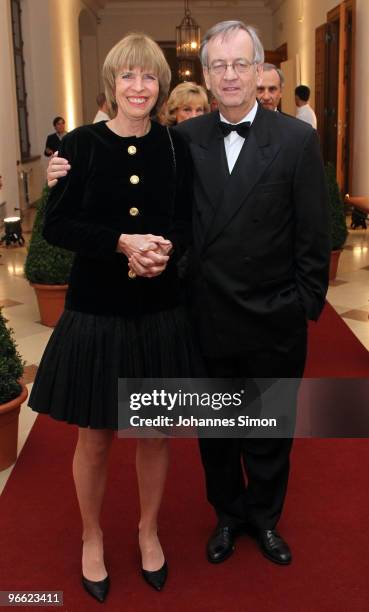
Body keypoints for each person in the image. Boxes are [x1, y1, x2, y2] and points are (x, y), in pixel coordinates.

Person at [47, 20, 330, 569]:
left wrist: (303, 303)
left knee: (269, 429)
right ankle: (226, 516)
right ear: (204, 74)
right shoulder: (185, 139)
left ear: (258, 69)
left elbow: (312, 233)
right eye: (217, 65)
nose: (228, 74)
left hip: (273, 315)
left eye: (239, 64)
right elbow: (151, 195)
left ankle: (264, 520)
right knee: (217, 433)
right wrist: (64, 167)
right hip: (204, 313)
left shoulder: (295, 139)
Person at [30, 32, 201, 603]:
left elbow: (186, 220)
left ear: (161, 85)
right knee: (96, 436)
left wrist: (165, 250)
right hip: (96, 310)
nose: (138, 86)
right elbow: (55, 226)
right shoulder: (79, 145)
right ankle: (92, 535)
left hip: (158, 310)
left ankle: (148, 529)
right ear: (111, 84)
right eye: (127, 75)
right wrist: (121, 243)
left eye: (148, 76)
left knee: (154, 433)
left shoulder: (177, 147)